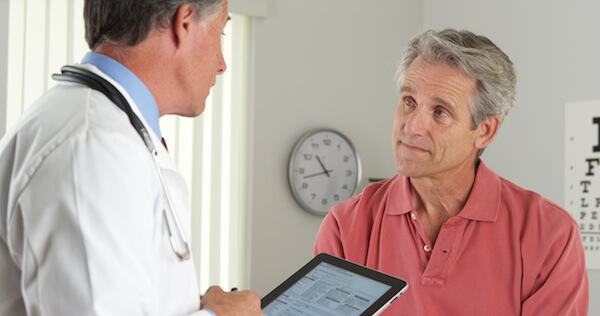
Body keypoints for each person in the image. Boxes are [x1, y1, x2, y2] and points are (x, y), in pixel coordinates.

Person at [0, 0, 263, 315]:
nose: (222, 64)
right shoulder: (92, 147)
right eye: (221, 32)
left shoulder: (101, 128)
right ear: (185, 22)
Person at [314, 29, 589, 315]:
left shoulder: (550, 236)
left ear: (484, 131)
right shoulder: (345, 227)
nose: (411, 127)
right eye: (409, 102)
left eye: (440, 112)